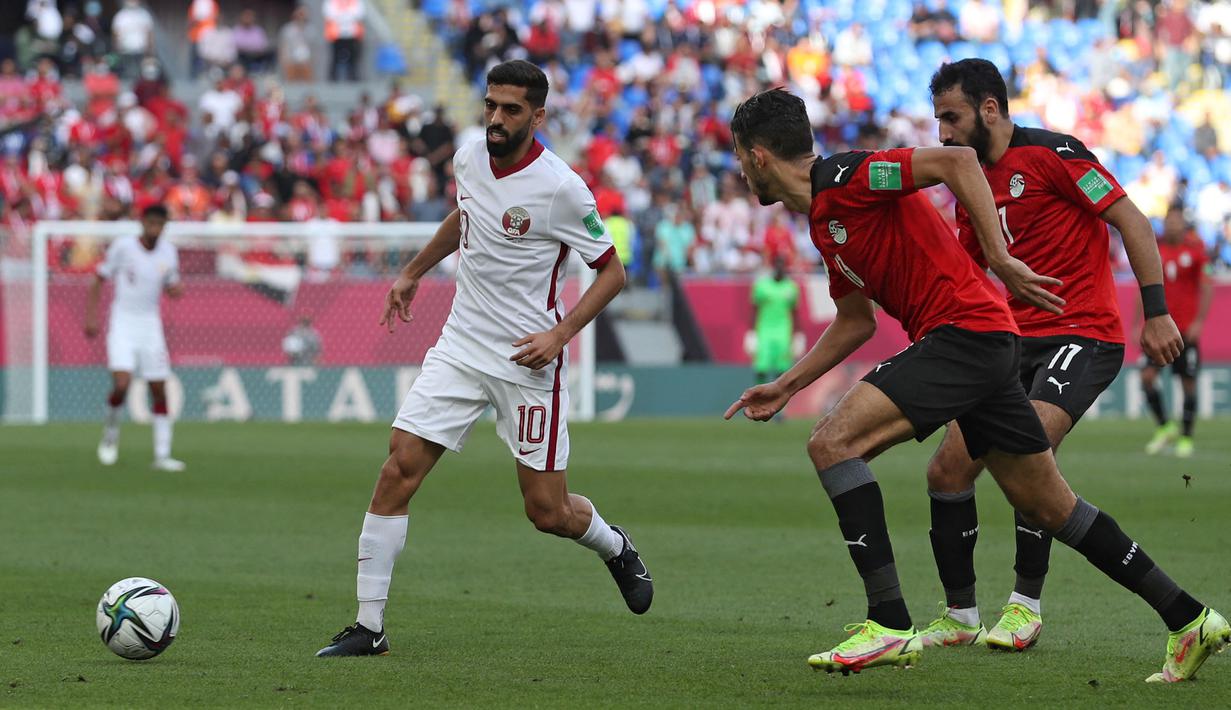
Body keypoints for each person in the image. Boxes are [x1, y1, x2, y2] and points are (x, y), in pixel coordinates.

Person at [723, 87, 1227, 681]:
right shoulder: (823, 221)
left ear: (757, 155)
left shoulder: (849, 176)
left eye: (736, 155)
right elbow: (856, 321)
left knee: (832, 443)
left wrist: (1000, 256)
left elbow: (957, 162)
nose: (737, 168)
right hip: (984, 345)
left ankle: (888, 620)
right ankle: (1189, 618)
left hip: (964, 335)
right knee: (1048, 503)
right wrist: (786, 384)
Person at [315, 60, 651, 658]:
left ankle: (614, 545)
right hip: (461, 346)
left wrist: (561, 334)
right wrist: (414, 271)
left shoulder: (561, 188)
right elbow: (468, 216)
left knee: (547, 512)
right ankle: (370, 627)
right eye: (492, 105)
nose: (496, 118)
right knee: (398, 469)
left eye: (512, 109)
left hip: (528, 361)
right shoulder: (468, 157)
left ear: (538, 115)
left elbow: (612, 272)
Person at [917, 58, 1184, 652]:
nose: (943, 133)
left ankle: (1024, 607)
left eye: (952, 117)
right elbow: (968, 271)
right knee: (946, 470)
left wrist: (1157, 310)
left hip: (1081, 333)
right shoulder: (968, 182)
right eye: (938, 119)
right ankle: (960, 616)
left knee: (1025, 451)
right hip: (1008, 344)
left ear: (990, 109)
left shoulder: (1059, 156)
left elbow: (1132, 221)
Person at [84, 204, 186, 472]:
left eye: (160, 224)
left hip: (150, 325)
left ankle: (162, 454)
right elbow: (98, 278)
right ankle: (111, 432)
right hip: (123, 323)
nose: (155, 228)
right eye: (151, 223)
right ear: (143, 223)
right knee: (122, 383)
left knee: (158, 388)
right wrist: (92, 317)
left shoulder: (169, 253)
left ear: (164, 226)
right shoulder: (123, 247)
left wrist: (176, 290)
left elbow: (172, 284)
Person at [1142, 204, 1213, 458]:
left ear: (1184, 223)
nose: (1172, 225)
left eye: (1176, 221)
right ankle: (1165, 427)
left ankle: (1185, 437)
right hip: (1161, 328)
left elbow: (1206, 286)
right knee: (1147, 377)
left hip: (1185, 329)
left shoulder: (1195, 251)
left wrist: (1199, 322)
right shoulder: (1155, 249)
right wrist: (1139, 321)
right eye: (1169, 221)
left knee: (1188, 383)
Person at [747, 256, 800, 387]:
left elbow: (795, 312)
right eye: (777, 265)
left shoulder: (791, 287)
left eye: (782, 265)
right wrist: (751, 332)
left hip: (783, 330)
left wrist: (797, 334)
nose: (780, 268)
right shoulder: (761, 286)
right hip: (764, 329)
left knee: (781, 369)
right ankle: (758, 396)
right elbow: (754, 309)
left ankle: (779, 403)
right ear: (773, 267)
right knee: (761, 368)